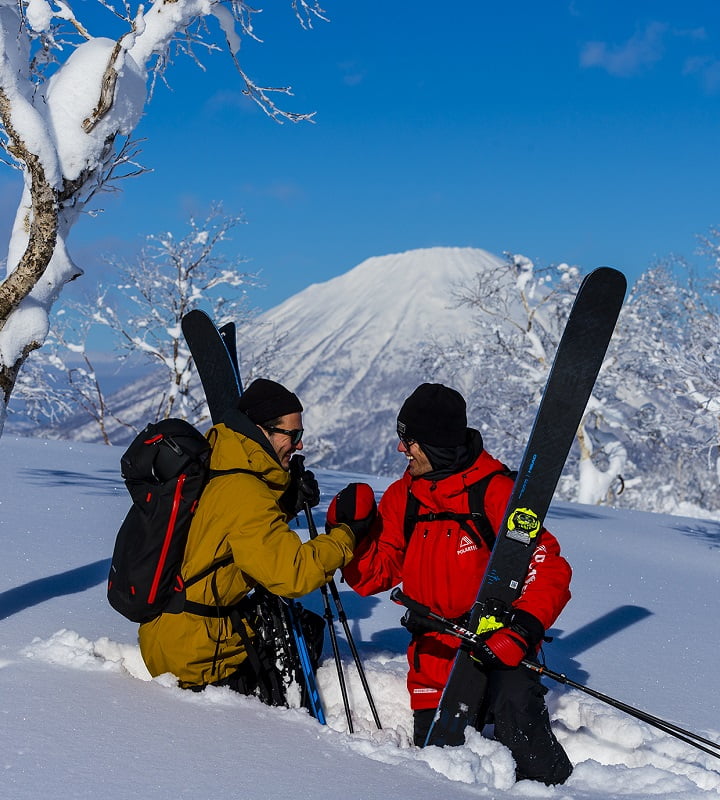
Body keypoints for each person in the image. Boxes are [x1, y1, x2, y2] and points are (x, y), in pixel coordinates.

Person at [331, 383, 573, 785]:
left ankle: (570, 791)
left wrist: (522, 630)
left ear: (435, 443)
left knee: (529, 751)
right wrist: (349, 535)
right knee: (439, 778)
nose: (401, 450)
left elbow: (547, 567)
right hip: (435, 664)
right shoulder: (402, 496)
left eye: (408, 441)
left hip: (499, 654)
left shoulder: (495, 492)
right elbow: (376, 574)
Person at [138, 378, 358, 700]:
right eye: (293, 435)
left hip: (166, 633)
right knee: (304, 633)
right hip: (197, 658)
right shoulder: (245, 490)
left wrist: (286, 501)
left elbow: (229, 531)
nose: (299, 445)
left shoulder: (217, 459)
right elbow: (292, 574)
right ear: (263, 430)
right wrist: (346, 536)